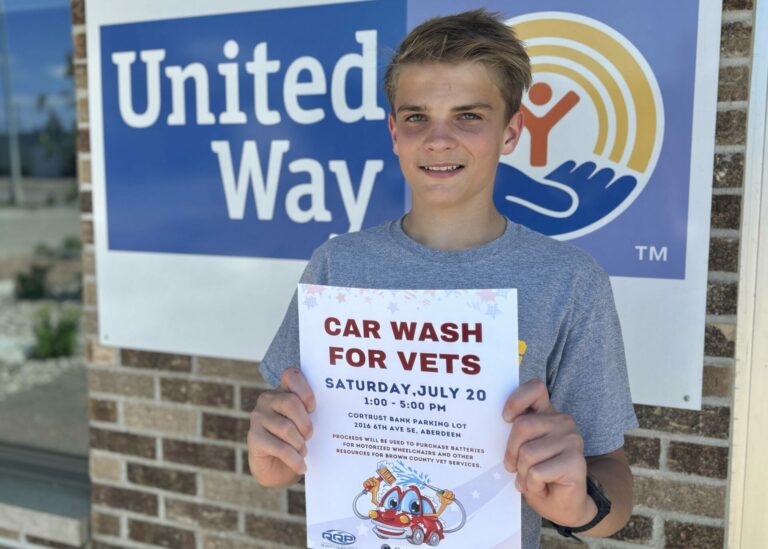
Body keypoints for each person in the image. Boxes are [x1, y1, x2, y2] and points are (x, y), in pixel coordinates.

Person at [247, 9, 638, 547]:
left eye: (468, 116)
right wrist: (270, 455)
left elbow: (612, 482)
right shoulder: (338, 267)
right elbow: (281, 465)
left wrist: (581, 503)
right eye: (416, 118)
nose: (437, 139)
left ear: (511, 131)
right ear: (394, 132)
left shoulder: (569, 281)